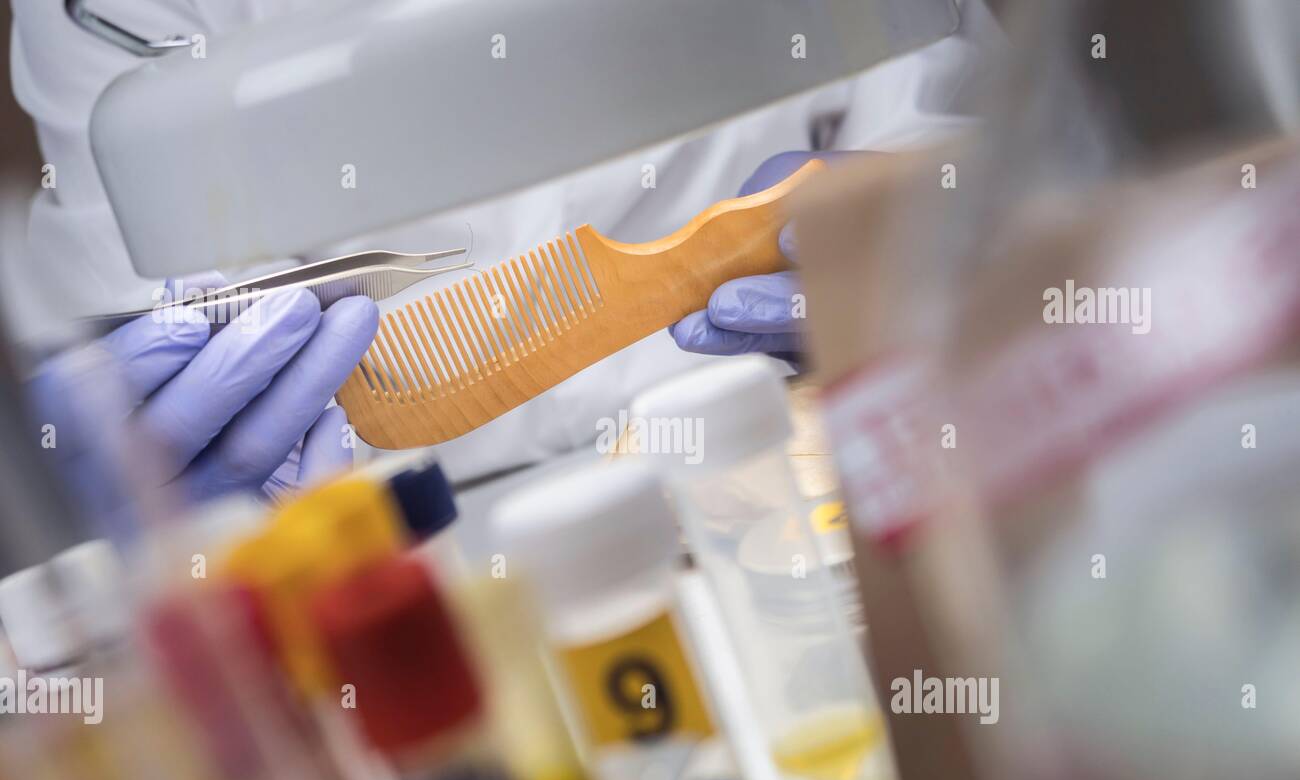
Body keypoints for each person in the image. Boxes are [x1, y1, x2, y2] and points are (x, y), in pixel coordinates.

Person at [6, 0, 999, 498]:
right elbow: (139, 285)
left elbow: (952, 95)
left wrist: (911, 231)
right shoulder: (100, 13)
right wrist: (147, 457)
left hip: (808, 454)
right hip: (428, 544)